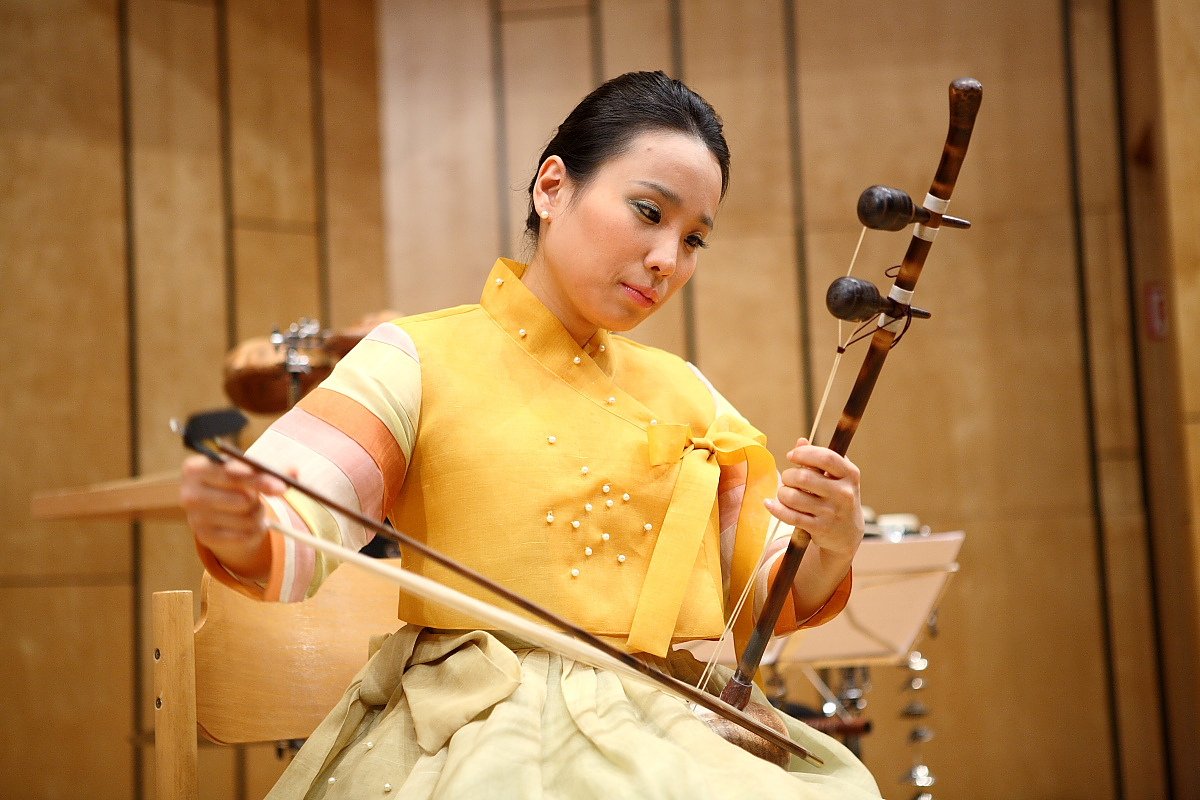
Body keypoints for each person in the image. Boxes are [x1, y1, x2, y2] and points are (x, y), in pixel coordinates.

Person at [181, 70, 881, 799]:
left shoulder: (692, 394)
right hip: (480, 723)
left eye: (694, 238)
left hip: (671, 722)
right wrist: (243, 522)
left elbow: (768, 593)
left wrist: (831, 543)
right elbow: (292, 520)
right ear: (552, 188)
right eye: (648, 212)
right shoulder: (418, 357)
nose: (667, 260)